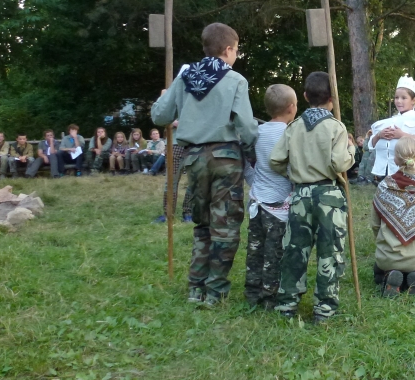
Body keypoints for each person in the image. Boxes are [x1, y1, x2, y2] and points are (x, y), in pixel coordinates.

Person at [151, 22, 257, 307]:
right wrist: (253, 151)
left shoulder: (185, 78)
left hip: (195, 158)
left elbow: (160, 116)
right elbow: (246, 127)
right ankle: (215, 290)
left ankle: (195, 287)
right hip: (226, 159)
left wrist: (167, 95)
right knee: (225, 225)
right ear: (228, 49)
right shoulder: (235, 80)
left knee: (203, 223)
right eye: (236, 50)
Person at [270, 71, 356, 323]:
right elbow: (339, 163)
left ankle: (287, 305)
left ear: (306, 96)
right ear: (333, 98)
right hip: (329, 195)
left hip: (300, 195)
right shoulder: (336, 127)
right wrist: (351, 150)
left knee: (295, 250)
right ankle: (324, 309)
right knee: (330, 251)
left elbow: (275, 160)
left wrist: (293, 173)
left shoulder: (294, 127)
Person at [244, 84, 297, 310]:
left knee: (255, 249)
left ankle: (251, 292)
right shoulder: (290, 134)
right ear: (291, 107)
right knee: (275, 253)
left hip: (256, 201)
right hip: (279, 204)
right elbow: (293, 168)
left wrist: (253, 180)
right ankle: (269, 297)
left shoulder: (256, 133)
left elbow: (247, 162)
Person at [372, 136, 415, 298]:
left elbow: (375, 225)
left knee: (378, 272)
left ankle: (390, 274)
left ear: (395, 159)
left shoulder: (384, 186)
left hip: (388, 256)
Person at [368, 76, 415, 180]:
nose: (399, 101)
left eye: (404, 98)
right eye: (396, 97)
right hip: (385, 170)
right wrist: (379, 135)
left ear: (413, 100)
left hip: (408, 171)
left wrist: (402, 135)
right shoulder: (387, 121)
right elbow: (371, 145)